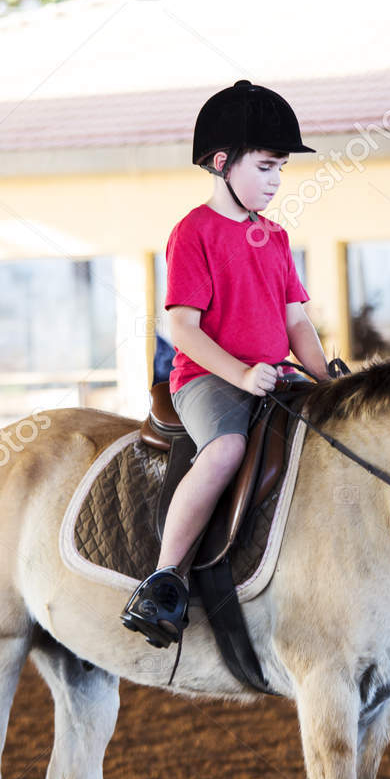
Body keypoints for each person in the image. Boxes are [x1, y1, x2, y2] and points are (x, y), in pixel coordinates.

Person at [121, 79, 331, 650]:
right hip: (209, 379)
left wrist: (328, 379)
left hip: (272, 377)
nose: (275, 181)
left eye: (280, 170)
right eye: (265, 167)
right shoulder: (194, 232)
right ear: (222, 162)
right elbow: (182, 327)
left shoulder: (277, 237)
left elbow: (296, 325)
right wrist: (239, 374)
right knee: (226, 450)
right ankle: (163, 581)